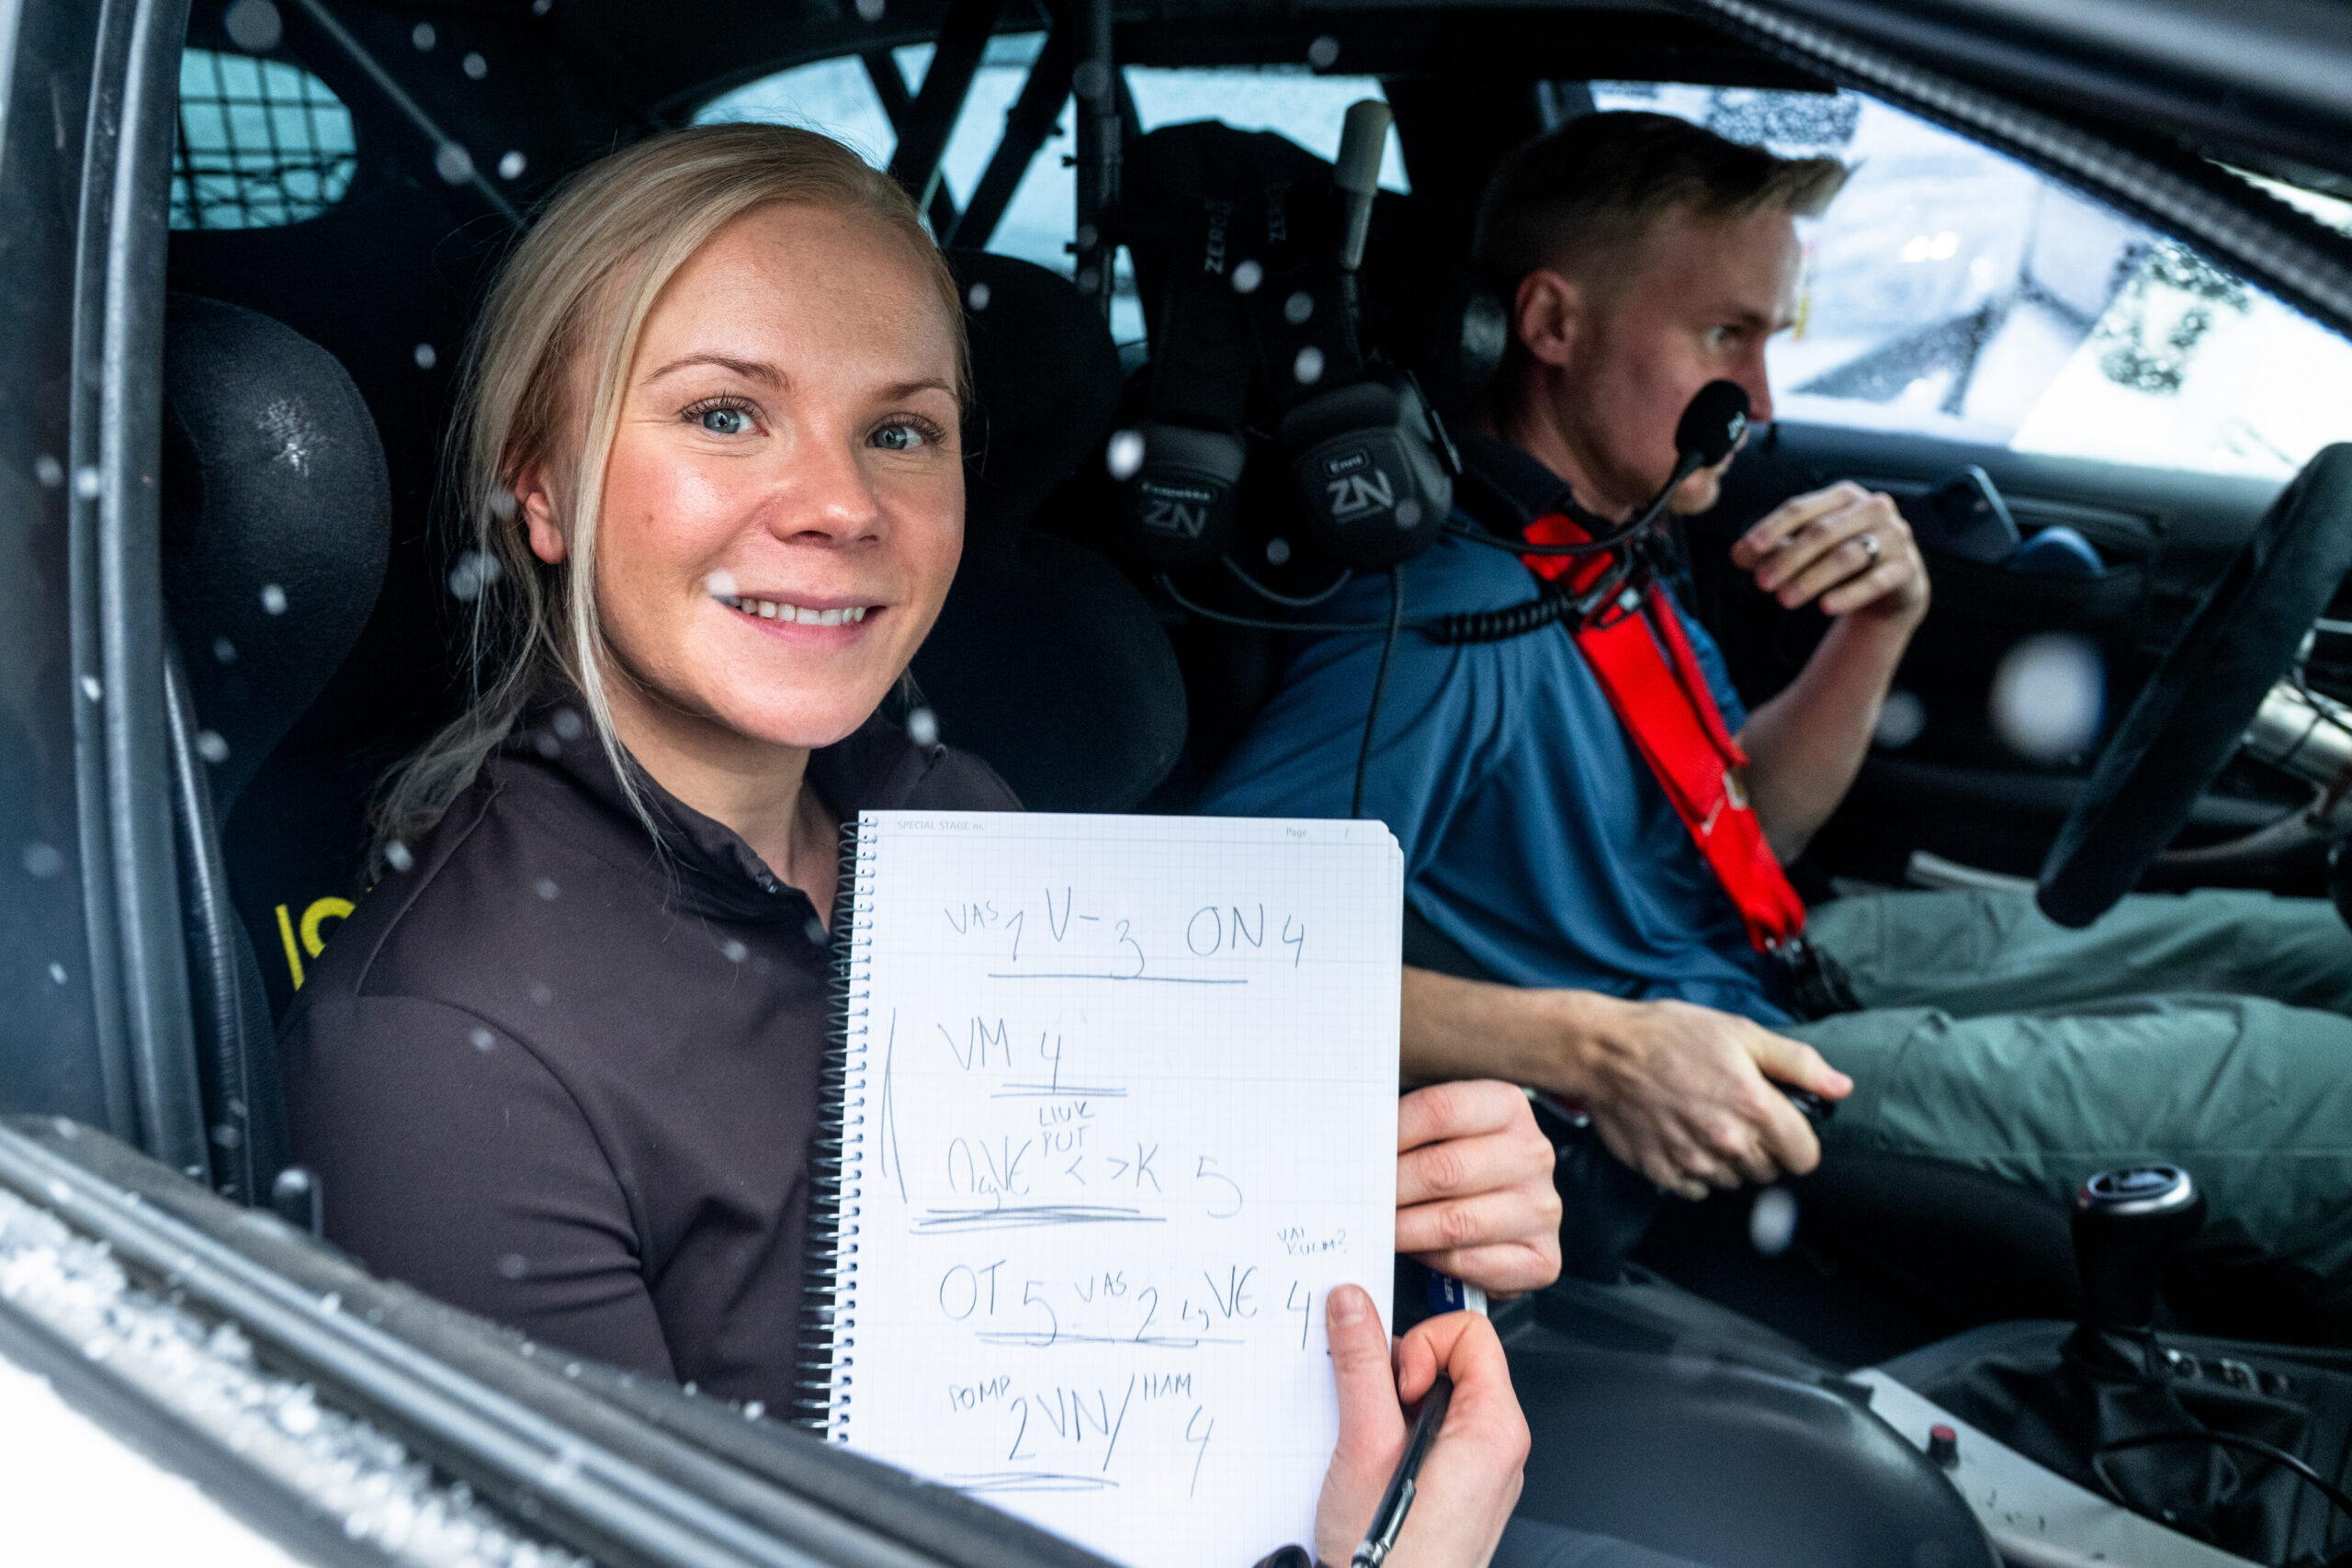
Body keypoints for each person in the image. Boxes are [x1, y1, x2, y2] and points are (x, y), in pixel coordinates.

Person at [277, 122, 1559, 1562]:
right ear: (542, 488)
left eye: (900, 431)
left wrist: (1395, 1236)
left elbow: (1152, 1298)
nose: (840, 504)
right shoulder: (444, 1046)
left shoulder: (957, 823)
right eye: (723, 415)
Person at [1199, 110, 2352, 1303]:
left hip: (1772, 956)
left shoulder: (1599, 546)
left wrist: (1882, 623)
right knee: (2314, 1091)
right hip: (1695, 1069)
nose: (1762, 394)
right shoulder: (1442, 623)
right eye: (1725, 335)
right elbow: (1214, 953)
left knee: (2307, 947)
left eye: (1769, 337)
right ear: (1549, 324)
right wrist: (1599, 1047)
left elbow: (1755, 822)